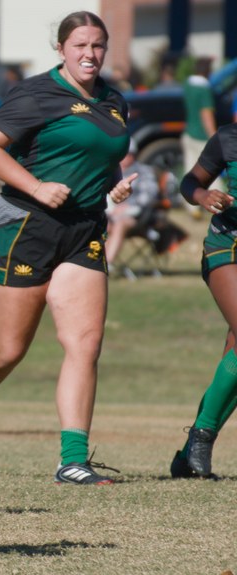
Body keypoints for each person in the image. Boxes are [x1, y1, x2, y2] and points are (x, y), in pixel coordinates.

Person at [0, 11, 136, 484]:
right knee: (10, 349)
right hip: (27, 226)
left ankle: (73, 460)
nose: (90, 54)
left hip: (83, 229)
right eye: (81, 46)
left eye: (98, 46)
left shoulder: (114, 100)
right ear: (62, 49)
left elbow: (98, 156)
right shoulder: (35, 93)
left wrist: (114, 186)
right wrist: (36, 186)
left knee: (84, 345)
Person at [169, 121, 237, 479]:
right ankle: (202, 437)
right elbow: (189, 182)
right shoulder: (228, 137)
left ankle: (187, 455)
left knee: (236, 353)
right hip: (227, 245)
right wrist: (204, 196)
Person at [105, 139, 181, 267]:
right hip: (111, 215)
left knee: (120, 224)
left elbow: (149, 196)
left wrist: (128, 206)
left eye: (127, 153)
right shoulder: (111, 171)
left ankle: (107, 264)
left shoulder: (143, 172)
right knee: (103, 225)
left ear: (133, 154)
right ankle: (95, 263)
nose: (124, 157)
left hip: (139, 218)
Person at [182, 57, 217, 218]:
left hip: (188, 132)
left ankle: (192, 208)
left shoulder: (188, 85)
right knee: (212, 173)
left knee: (191, 173)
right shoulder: (204, 89)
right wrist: (214, 138)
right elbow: (206, 114)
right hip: (202, 137)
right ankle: (218, 205)